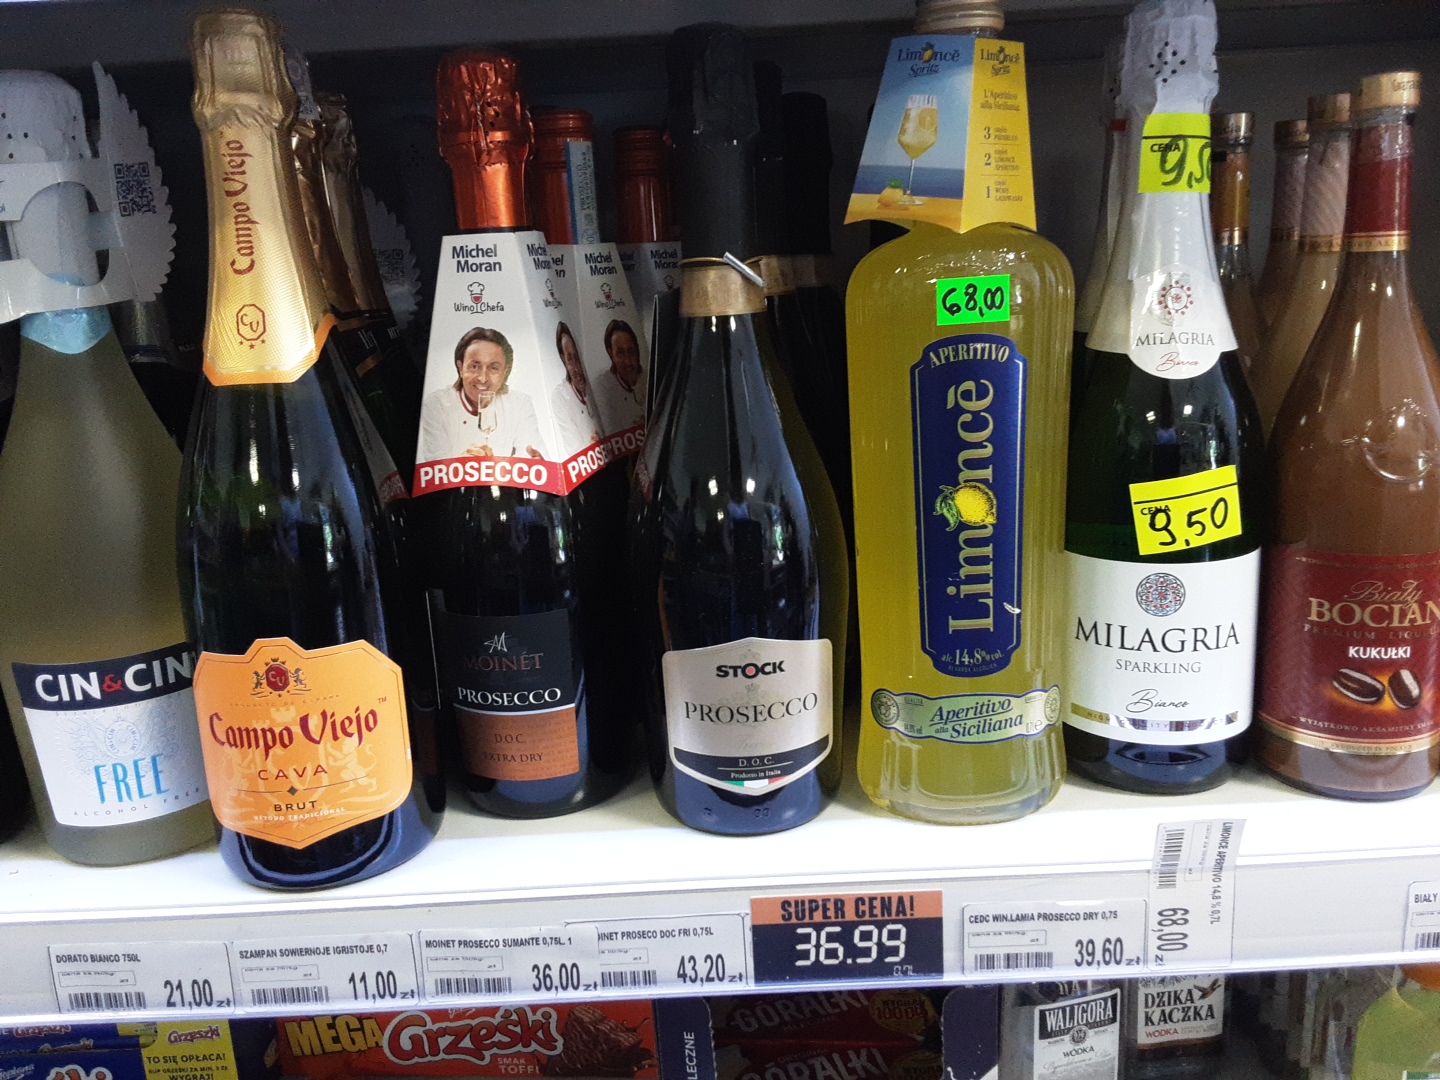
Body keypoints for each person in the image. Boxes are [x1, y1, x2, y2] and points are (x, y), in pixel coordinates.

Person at [418, 326, 547, 462]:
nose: (482, 378)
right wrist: (462, 464)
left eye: (494, 368)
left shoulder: (519, 403)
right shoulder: (436, 404)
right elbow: (436, 464)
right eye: (474, 366)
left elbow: (531, 454)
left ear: (505, 372)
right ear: (461, 368)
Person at [550, 321, 603, 453]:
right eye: (570, 359)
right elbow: (573, 449)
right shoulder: (560, 397)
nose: (576, 367)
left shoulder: (599, 384)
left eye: (577, 357)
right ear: (563, 359)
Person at [590, 319, 646, 436]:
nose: (628, 361)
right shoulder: (602, 387)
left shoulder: (649, 380)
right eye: (620, 353)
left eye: (631, 352)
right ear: (611, 354)